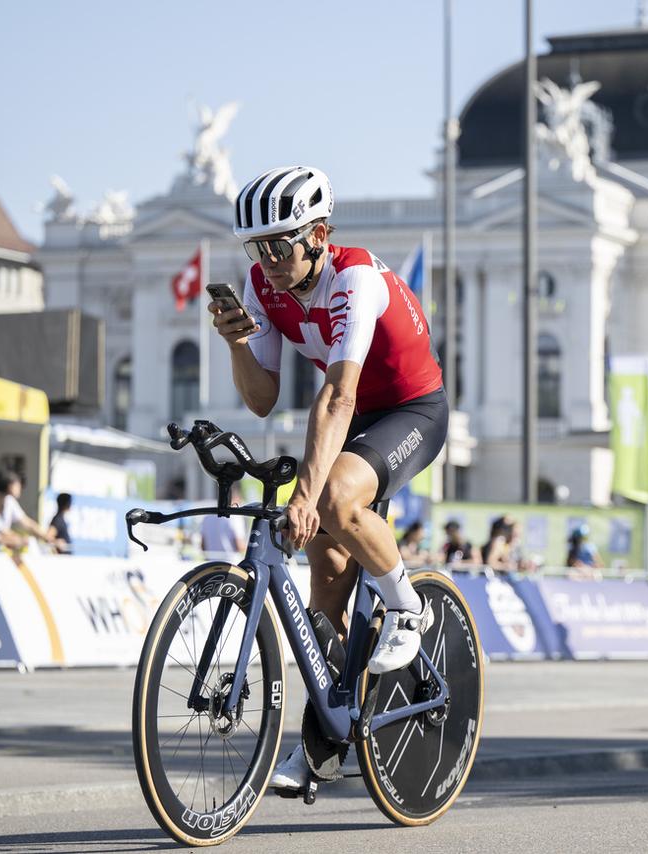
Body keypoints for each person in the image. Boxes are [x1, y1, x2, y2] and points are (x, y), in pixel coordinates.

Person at [211, 165, 447, 793]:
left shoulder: (356, 279)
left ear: (317, 235)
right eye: (255, 248)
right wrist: (238, 344)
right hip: (353, 416)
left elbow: (338, 398)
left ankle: (407, 605)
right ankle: (326, 739)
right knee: (327, 596)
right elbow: (262, 399)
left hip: (409, 409)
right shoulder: (263, 286)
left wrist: (307, 494)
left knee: (335, 500)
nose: (266, 259)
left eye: (278, 245)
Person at [0, 471, 56, 547]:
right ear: (9, 484)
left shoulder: (9, 500)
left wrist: (46, 536)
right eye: (18, 485)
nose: (20, 489)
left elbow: (26, 522)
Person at [200, 487, 247, 555]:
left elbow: (203, 546)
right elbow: (239, 545)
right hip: (230, 563)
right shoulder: (235, 517)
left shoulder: (207, 517)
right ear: (236, 499)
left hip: (211, 562)